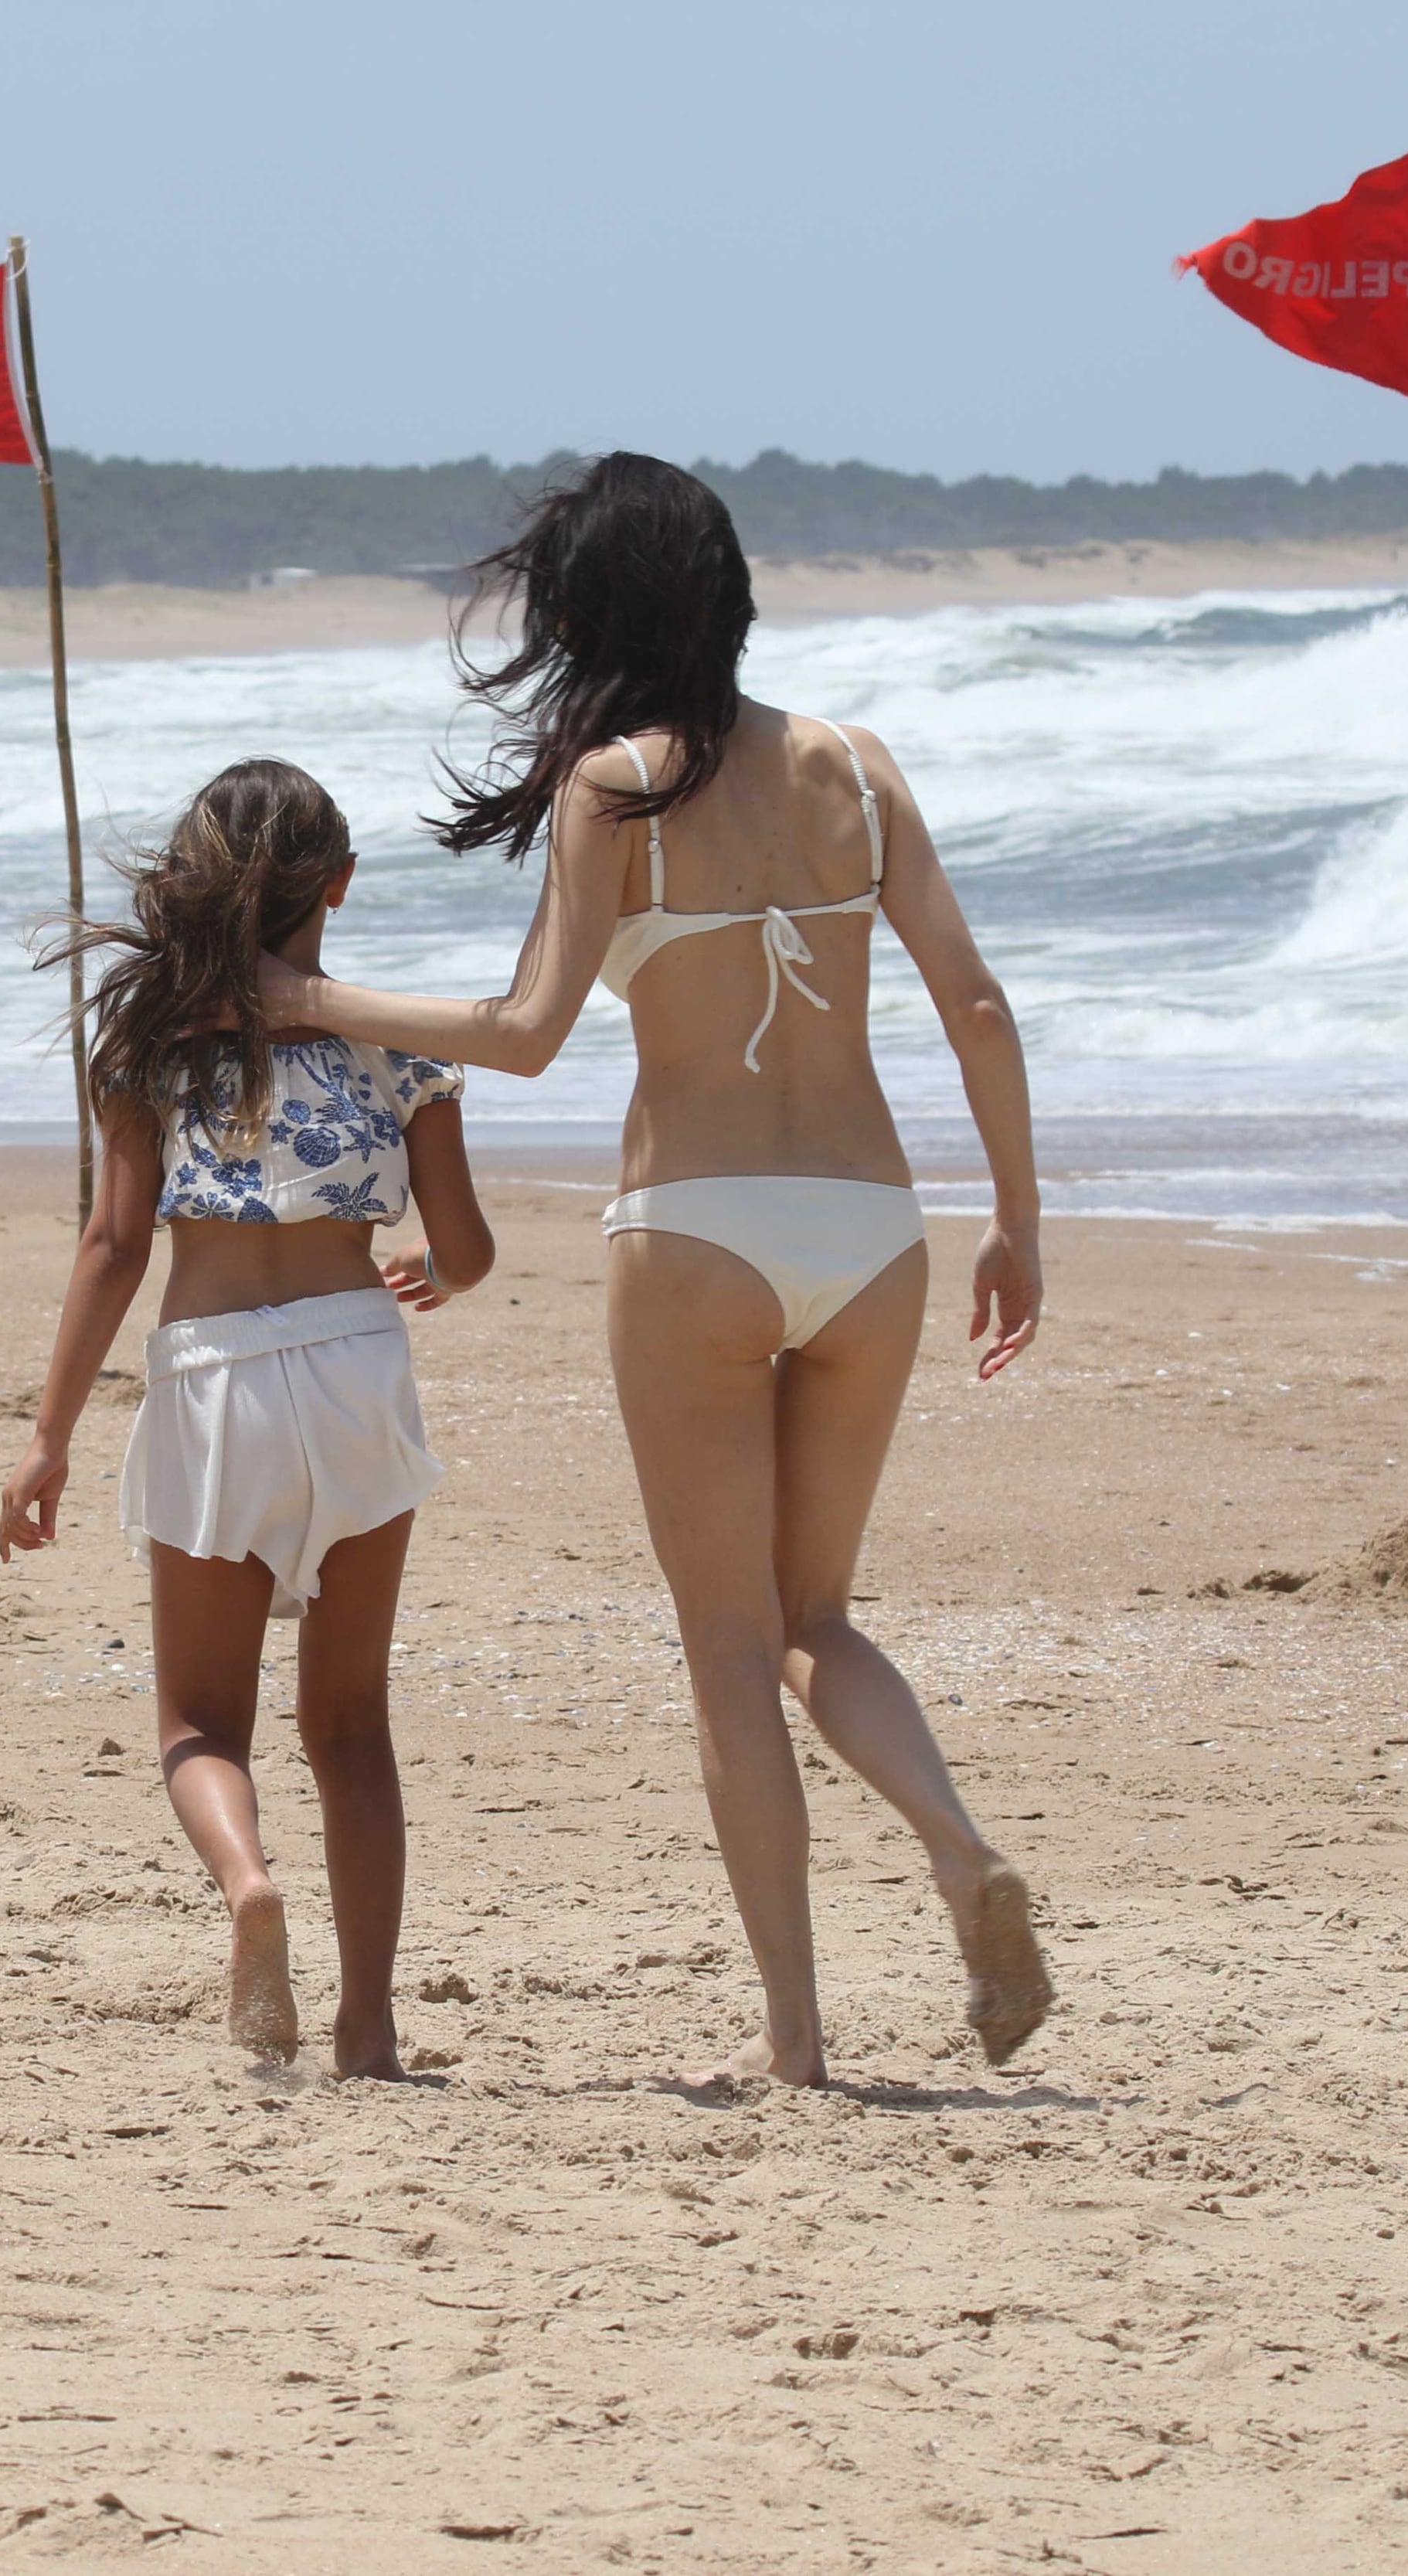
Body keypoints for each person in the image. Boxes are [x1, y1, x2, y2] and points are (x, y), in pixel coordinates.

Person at [260, 454, 1054, 2086]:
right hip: (874, 1226)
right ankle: (958, 1845)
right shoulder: (859, 766)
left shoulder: (613, 788)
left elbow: (528, 1035)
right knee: (819, 1615)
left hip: (695, 1224)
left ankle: (798, 2042)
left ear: (590, 614)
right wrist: (1017, 1219)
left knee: (723, 1645)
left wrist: (319, 1005)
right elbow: (975, 1003)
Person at [0, 760, 494, 2076]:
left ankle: (248, 1887)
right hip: (356, 1368)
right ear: (338, 886)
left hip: (211, 1375)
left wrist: (47, 1436)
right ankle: (369, 2023)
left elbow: (112, 1243)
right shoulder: (398, 1040)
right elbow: (467, 1247)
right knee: (352, 1726)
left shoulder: (149, 1042)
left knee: (202, 1724)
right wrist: (432, 1274)